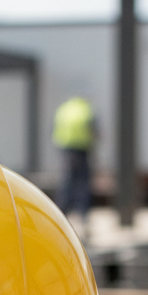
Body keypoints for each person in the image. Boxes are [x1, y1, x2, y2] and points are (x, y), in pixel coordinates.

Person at [52, 96, 96, 236]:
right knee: (83, 183)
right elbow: (93, 131)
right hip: (82, 150)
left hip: (66, 149)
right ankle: (83, 215)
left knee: (67, 182)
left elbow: (55, 129)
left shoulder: (64, 109)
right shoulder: (86, 110)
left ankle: (61, 214)